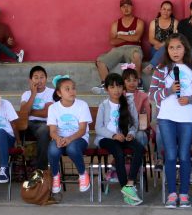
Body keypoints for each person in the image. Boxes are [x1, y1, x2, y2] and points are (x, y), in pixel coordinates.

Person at [149, 34, 192, 209]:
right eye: (171, 48)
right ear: (167, 50)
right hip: (166, 117)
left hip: (186, 118)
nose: (175, 51)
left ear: (185, 49)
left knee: (184, 155)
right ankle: (172, 194)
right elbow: (152, 94)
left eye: (179, 47)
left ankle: (184, 193)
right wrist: (169, 90)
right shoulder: (161, 69)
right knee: (171, 156)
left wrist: (189, 99)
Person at [94, 73, 144, 206]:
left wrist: (132, 133)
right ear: (106, 89)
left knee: (139, 149)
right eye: (112, 87)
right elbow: (98, 128)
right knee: (118, 152)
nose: (116, 90)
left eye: (119, 86)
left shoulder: (129, 103)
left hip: (124, 136)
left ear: (123, 88)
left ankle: (130, 183)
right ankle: (125, 188)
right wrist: (113, 135)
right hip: (106, 138)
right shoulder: (103, 105)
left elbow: (134, 124)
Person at [47, 76, 92, 194]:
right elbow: (52, 131)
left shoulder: (82, 105)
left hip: (79, 139)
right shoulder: (53, 108)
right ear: (59, 93)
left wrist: (69, 138)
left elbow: (82, 130)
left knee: (72, 148)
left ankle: (83, 174)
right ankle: (56, 176)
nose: (72, 91)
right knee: (52, 149)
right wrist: (58, 139)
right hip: (61, 139)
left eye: (73, 88)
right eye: (67, 89)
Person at [92, 0, 145, 94]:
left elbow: (136, 38)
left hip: (133, 48)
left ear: (132, 7)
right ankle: (106, 85)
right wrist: (129, 36)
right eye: (123, 6)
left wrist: (120, 35)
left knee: (136, 55)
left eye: (128, 6)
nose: (126, 8)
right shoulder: (115, 24)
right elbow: (112, 41)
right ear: (120, 9)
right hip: (118, 49)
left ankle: (139, 83)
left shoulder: (139, 22)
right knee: (100, 61)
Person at [20, 65, 55, 173]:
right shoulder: (26, 94)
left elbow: (46, 113)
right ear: (30, 80)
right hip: (28, 124)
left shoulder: (51, 92)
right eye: (36, 77)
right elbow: (23, 114)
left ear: (46, 78)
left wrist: (30, 111)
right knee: (13, 127)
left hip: (44, 124)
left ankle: (41, 170)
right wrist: (33, 94)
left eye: (42, 77)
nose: (39, 80)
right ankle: (19, 167)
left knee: (44, 130)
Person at [144, 0, 178, 74]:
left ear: (171, 12)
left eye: (168, 10)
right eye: (164, 9)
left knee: (165, 49)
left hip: (170, 49)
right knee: (162, 53)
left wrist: (163, 45)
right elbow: (151, 39)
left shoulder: (175, 22)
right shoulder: (154, 22)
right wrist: (159, 45)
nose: (166, 11)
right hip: (155, 49)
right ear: (160, 10)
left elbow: (175, 38)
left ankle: (151, 65)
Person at [122, 66, 150, 147]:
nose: (132, 83)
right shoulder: (119, 95)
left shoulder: (143, 96)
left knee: (141, 136)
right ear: (123, 82)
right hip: (121, 129)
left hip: (138, 129)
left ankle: (138, 158)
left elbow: (145, 118)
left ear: (138, 81)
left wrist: (133, 132)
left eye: (135, 80)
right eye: (128, 80)